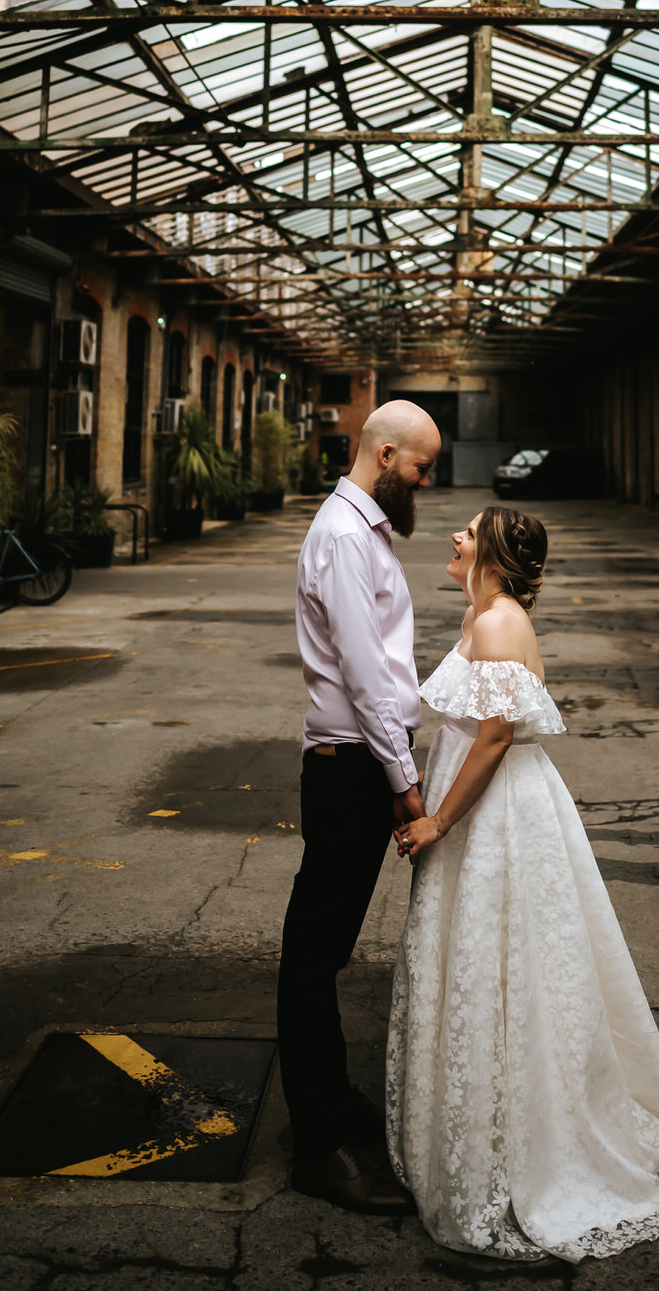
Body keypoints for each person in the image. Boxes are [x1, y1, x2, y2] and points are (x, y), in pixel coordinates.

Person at [386, 506, 659, 1260]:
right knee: (492, 958)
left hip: (496, 811)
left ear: (498, 556)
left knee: (506, 960)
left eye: (470, 533)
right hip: (484, 798)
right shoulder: (487, 613)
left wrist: (439, 820)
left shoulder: (500, 622)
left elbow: (497, 736)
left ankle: (520, 1141)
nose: (455, 538)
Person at [277, 399, 441, 1215]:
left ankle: (331, 1107)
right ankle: (318, 1147)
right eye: (420, 464)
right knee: (313, 956)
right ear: (384, 454)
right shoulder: (344, 536)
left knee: (324, 950)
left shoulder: (361, 527)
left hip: (356, 767)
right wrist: (405, 786)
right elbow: (368, 677)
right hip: (351, 772)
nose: (426, 478)